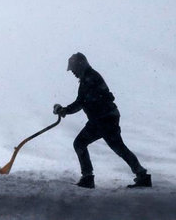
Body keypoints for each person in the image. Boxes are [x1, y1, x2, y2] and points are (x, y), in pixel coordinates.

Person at [53, 52, 152, 189]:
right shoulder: (88, 78)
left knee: (82, 144)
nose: (73, 73)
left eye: (74, 69)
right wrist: (66, 110)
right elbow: (82, 101)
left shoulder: (90, 79)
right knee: (117, 147)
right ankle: (142, 175)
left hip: (103, 119)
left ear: (80, 66)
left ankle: (88, 177)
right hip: (104, 118)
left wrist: (65, 110)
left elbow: (82, 102)